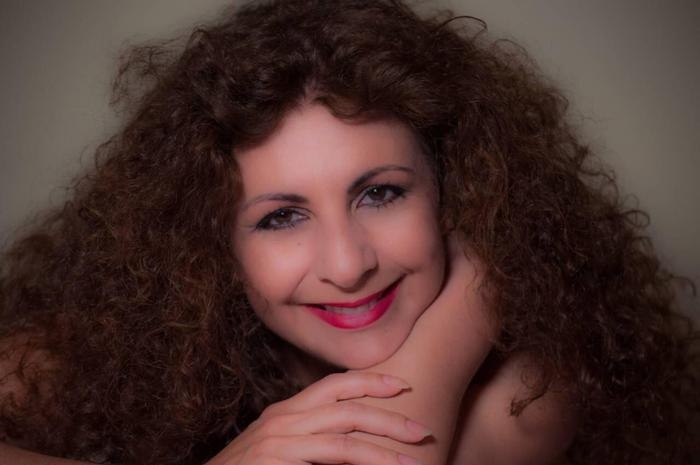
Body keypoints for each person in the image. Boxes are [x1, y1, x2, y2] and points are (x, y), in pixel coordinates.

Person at [1, 1, 697, 464]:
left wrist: (481, 290)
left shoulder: (533, 388)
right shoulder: (119, 352)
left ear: (457, 194)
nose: (347, 263)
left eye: (381, 193)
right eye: (281, 217)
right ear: (210, 249)